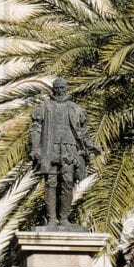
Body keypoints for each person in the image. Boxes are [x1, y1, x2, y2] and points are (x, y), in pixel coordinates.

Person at [30, 77, 100, 229]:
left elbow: (82, 132)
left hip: (69, 149)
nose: (60, 90)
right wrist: (35, 148)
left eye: (63, 87)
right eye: (58, 87)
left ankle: (64, 219)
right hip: (51, 148)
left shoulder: (74, 108)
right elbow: (36, 128)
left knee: (68, 181)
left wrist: (91, 145)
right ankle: (51, 220)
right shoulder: (45, 107)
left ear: (66, 89)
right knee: (51, 182)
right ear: (54, 89)